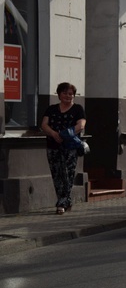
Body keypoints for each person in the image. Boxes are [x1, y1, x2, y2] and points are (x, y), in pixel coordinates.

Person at [40, 82, 86, 215]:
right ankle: (66, 200)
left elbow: (81, 125)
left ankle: (62, 202)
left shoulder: (78, 109)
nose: (68, 96)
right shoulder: (51, 109)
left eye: (70, 94)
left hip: (70, 147)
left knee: (67, 174)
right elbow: (44, 124)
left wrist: (64, 134)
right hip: (53, 146)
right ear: (59, 94)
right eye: (65, 93)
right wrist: (54, 134)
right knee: (56, 174)